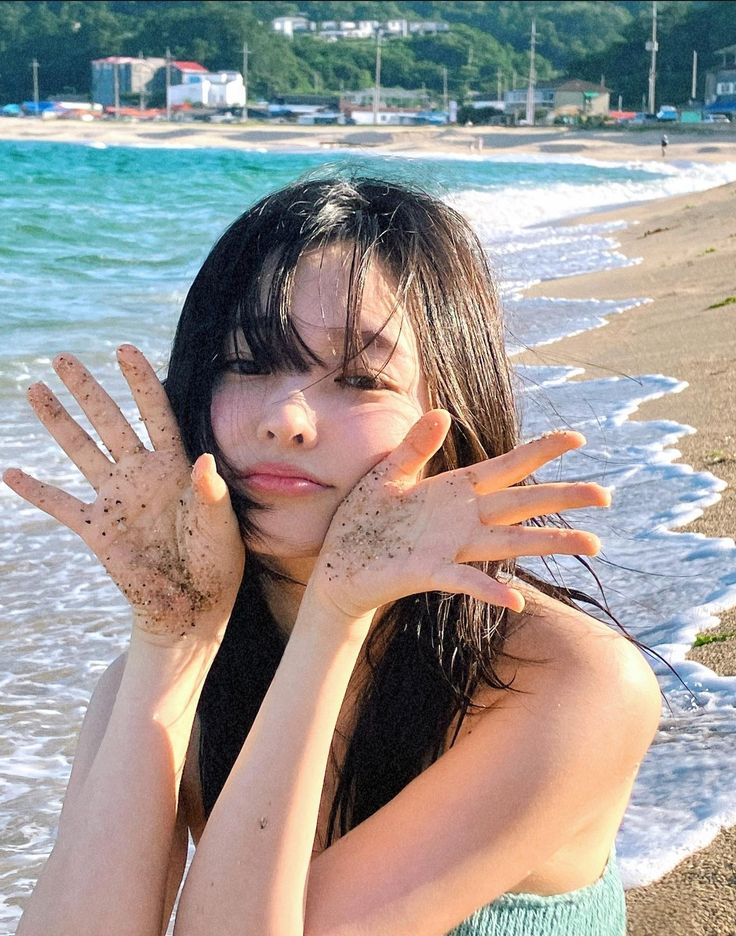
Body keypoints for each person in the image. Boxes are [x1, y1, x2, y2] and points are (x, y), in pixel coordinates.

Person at [5, 175, 661, 935]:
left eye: (359, 378)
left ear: (449, 412)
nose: (287, 419)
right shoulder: (169, 671)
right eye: (247, 363)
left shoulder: (570, 683)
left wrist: (335, 615)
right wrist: (172, 637)